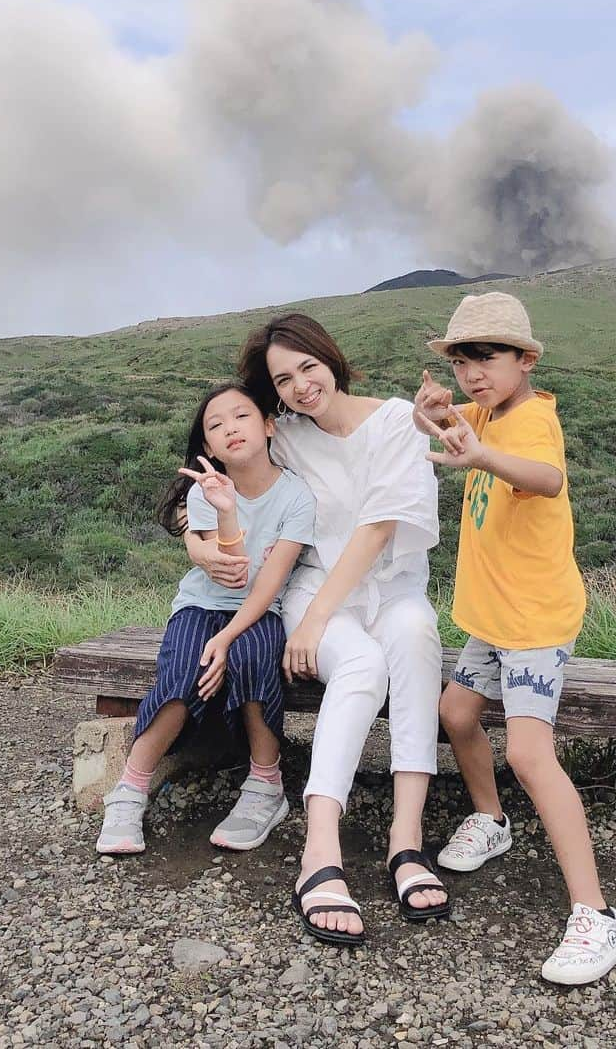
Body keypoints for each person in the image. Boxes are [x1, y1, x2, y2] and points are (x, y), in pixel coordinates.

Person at [413, 292, 616, 986]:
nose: (472, 373)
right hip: (494, 620)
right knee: (454, 713)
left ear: (525, 360)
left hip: (535, 622)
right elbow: (460, 425)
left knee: (534, 755)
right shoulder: (483, 413)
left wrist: (481, 455)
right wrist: (436, 415)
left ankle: (598, 916)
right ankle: (491, 819)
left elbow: (546, 477)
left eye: (487, 357)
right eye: (461, 359)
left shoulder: (534, 420)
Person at [238, 314, 450, 946]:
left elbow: (381, 526)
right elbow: (234, 461)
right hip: (315, 589)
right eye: (284, 379)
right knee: (361, 666)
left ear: (329, 358)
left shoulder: (394, 420)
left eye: (308, 366)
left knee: (415, 637)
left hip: (390, 589)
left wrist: (321, 617)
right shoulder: (287, 436)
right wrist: (207, 545)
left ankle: (405, 841)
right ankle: (319, 850)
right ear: (273, 391)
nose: (303, 385)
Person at [95, 382, 315, 857]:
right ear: (208, 447)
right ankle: (130, 788)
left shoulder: (296, 497)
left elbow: (262, 588)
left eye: (241, 416)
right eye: (215, 426)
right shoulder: (206, 491)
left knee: (254, 657)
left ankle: (265, 784)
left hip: (259, 610)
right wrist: (227, 510)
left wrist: (228, 639)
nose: (230, 429)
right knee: (184, 669)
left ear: (269, 425)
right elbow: (230, 573)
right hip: (199, 605)